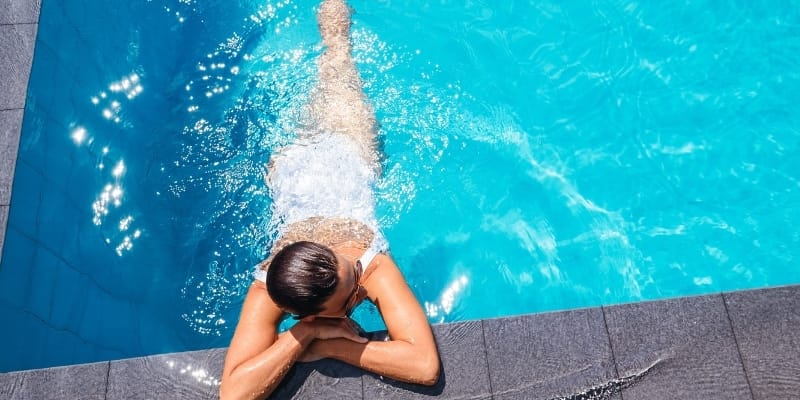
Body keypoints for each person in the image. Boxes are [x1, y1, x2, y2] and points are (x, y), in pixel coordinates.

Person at [219, 1, 441, 399]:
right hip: (299, 168)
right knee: (331, 69)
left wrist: (329, 346)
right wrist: (305, 335)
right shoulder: (270, 287)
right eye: (351, 290)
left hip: (339, 153)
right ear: (306, 312)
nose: (359, 271)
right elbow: (233, 394)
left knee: (338, 55)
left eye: (349, 269)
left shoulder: (367, 262)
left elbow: (424, 366)